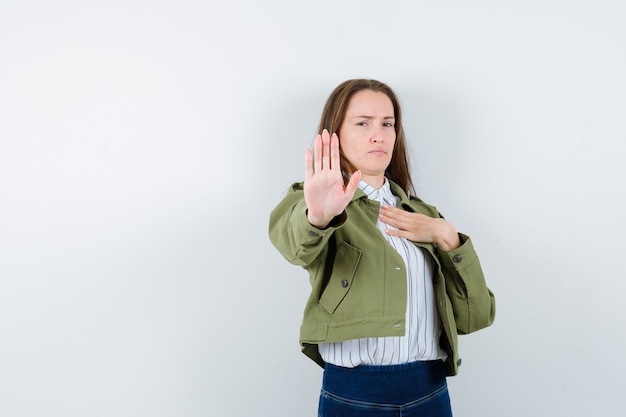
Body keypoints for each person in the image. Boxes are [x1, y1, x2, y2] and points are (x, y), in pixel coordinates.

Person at [269, 79, 495, 417]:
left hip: (430, 392)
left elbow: (476, 316)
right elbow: (295, 245)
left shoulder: (423, 214)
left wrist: (448, 236)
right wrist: (317, 217)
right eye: (363, 123)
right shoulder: (316, 202)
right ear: (335, 134)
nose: (379, 134)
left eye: (387, 124)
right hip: (354, 394)